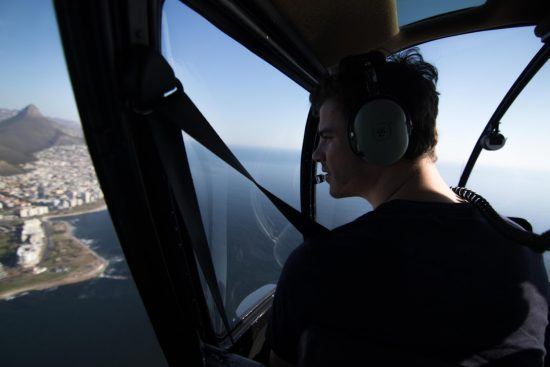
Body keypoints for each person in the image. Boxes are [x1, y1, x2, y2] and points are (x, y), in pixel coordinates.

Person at [267, 49, 549, 367]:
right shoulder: (522, 248)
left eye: (327, 137)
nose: (317, 154)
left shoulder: (317, 267)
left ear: (378, 132)